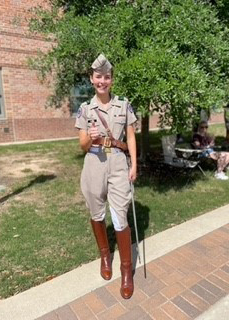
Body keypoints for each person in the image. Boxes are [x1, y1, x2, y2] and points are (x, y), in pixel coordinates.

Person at [75, 54, 137, 299]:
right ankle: (104, 255)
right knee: (96, 212)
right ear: (92, 79)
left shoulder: (123, 104)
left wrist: (134, 164)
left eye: (107, 77)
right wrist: (89, 136)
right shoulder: (84, 109)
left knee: (120, 215)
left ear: (111, 80)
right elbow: (81, 145)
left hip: (119, 163)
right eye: (98, 77)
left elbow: (130, 135)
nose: (103, 81)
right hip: (94, 163)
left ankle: (126, 271)